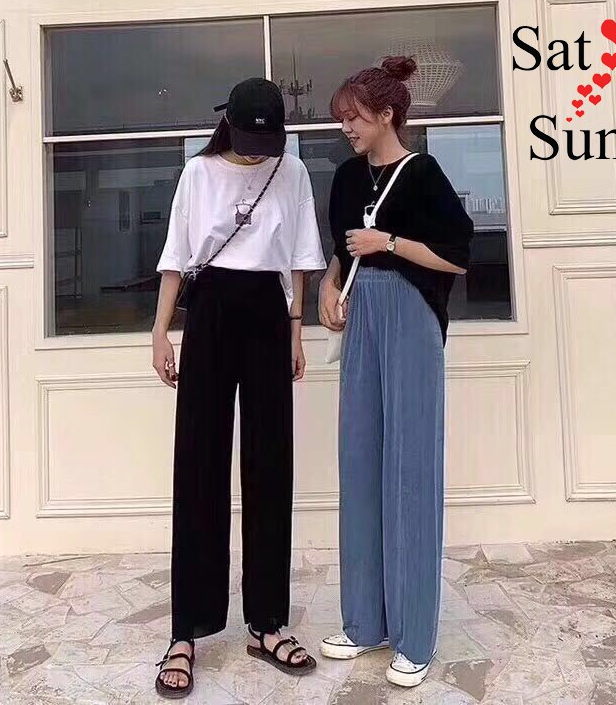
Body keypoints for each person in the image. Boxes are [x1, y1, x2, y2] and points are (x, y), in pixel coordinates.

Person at [151, 77, 325, 698]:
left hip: (268, 316)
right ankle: (186, 631)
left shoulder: (292, 172)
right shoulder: (198, 174)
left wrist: (296, 330)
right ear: (229, 125)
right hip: (212, 310)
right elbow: (176, 256)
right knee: (199, 463)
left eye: (266, 141)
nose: (257, 152)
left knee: (270, 464)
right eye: (250, 139)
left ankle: (267, 622)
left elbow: (299, 258)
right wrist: (160, 330)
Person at [318, 56, 474, 688]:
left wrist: (388, 244)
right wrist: (328, 288)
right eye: (342, 119)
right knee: (359, 462)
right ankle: (364, 622)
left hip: (411, 319)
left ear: (386, 115)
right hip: (362, 319)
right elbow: (341, 250)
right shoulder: (345, 177)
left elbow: (457, 257)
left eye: (354, 117)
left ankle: (414, 636)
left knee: (410, 469)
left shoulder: (423, 174)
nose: (346, 128)